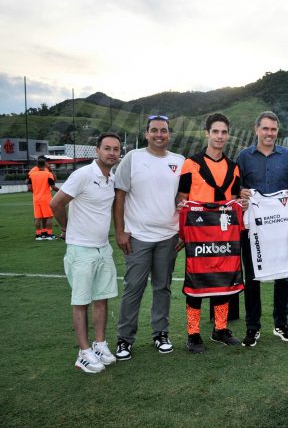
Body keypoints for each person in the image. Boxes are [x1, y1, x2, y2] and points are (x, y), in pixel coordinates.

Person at [113, 115, 184, 360]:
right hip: (138, 236)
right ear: (146, 134)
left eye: (163, 131)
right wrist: (120, 230)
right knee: (134, 288)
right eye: (154, 130)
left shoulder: (179, 161)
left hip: (169, 236)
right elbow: (119, 196)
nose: (159, 135)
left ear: (169, 134)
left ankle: (160, 333)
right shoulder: (133, 157)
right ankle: (124, 339)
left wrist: (182, 231)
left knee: (162, 287)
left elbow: (182, 199)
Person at [50, 133, 122, 373]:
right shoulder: (82, 175)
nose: (112, 153)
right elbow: (56, 203)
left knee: (102, 297)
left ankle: (99, 344)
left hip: (103, 247)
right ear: (97, 151)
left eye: (115, 149)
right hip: (81, 249)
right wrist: (66, 227)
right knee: (81, 301)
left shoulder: (111, 178)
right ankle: (83, 352)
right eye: (107, 148)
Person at [176, 113, 243, 353]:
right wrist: (183, 232)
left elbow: (234, 200)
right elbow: (182, 200)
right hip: (198, 238)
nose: (220, 136)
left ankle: (220, 329)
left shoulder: (234, 167)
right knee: (196, 284)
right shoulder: (190, 164)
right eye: (215, 131)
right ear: (207, 133)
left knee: (223, 281)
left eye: (224, 132)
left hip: (224, 237)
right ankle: (193, 333)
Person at [236, 110, 288, 346]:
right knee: (252, 277)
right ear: (257, 129)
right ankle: (253, 327)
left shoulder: (287, 156)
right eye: (265, 128)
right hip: (253, 226)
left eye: (273, 129)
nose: (269, 133)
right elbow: (237, 187)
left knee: (282, 277)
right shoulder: (244, 157)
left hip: (281, 226)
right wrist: (240, 193)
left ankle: (281, 324)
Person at [27, 156, 59, 240]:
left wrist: (37, 192)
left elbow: (29, 188)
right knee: (49, 217)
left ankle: (38, 235)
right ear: (45, 164)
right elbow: (53, 186)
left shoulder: (32, 175)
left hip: (36, 198)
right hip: (46, 198)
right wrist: (62, 191)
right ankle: (49, 235)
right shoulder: (47, 174)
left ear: (37, 165)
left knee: (38, 218)